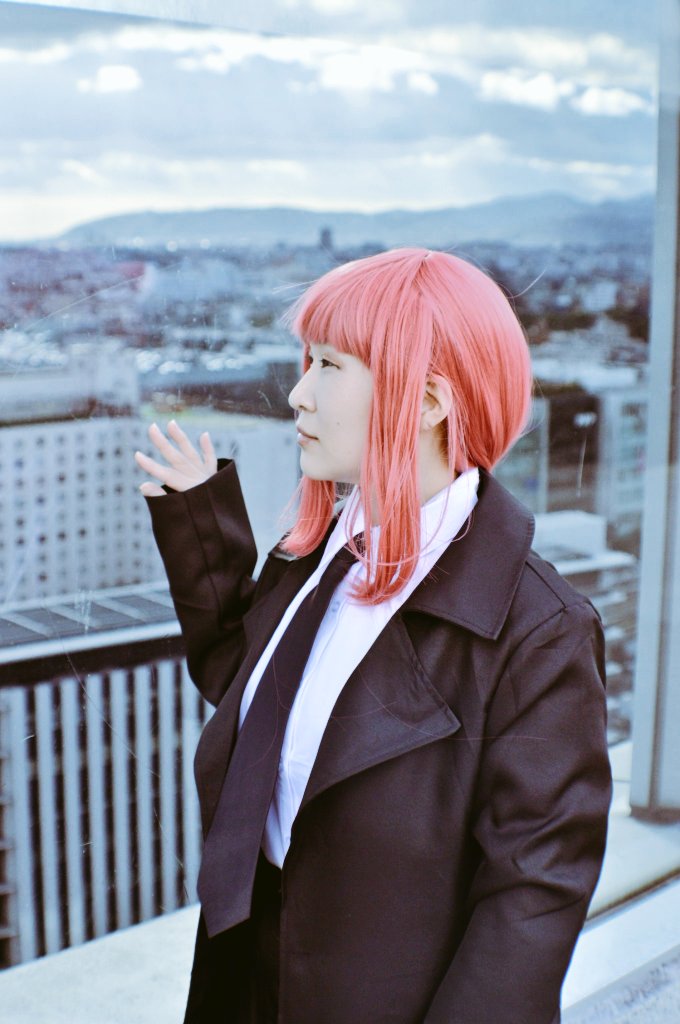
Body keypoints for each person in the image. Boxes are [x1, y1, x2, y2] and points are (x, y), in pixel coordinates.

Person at [135, 247, 611, 1024]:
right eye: (308, 362)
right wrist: (200, 529)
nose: (298, 393)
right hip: (250, 976)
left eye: (329, 366)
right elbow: (251, 695)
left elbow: (530, 901)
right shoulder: (321, 553)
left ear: (427, 401)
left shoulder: (539, 631)